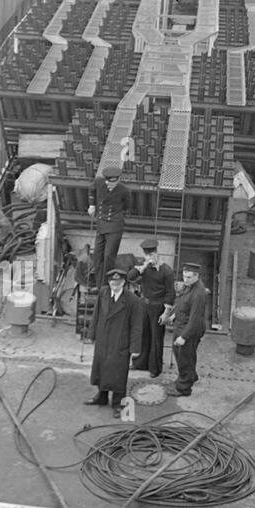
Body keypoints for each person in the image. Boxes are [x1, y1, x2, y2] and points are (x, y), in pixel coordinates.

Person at [86, 267, 144, 417]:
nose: (115, 285)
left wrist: (135, 348)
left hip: (120, 341)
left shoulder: (133, 300)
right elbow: (96, 314)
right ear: (109, 282)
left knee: (118, 372)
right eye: (112, 282)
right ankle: (102, 396)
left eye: (118, 283)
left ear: (124, 282)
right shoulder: (104, 292)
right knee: (101, 368)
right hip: (103, 339)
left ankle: (119, 403)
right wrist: (91, 334)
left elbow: (137, 326)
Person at [128, 240, 175, 376]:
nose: (150, 257)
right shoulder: (144, 268)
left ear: (157, 253)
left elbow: (170, 293)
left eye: (152, 254)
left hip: (158, 307)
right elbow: (130, 277)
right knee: (143, 335)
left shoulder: (166, 270)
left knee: (156, 338)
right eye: (147, 254)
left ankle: (155, 368)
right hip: (144, 304)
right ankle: (140, 363)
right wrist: (142, 267)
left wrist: (166, 313)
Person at [162, 263, 209, 398]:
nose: (185, 280)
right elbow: (182, 303)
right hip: (181, 325)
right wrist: (174, 315)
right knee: (184, 355)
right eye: (184, 276)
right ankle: (191, 376)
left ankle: (183, 388)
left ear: (196, 276)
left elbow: (195, 319)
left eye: (189, 277)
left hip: (189, 330)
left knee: (184, 358)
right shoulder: (189, 286)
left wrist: (184, 337)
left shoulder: (198, 293)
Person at [88, 165, 130, 287]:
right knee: (97, 257)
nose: (111, 185)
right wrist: (92, 205)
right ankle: (99, 285)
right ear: (105, 180)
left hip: (115, 226)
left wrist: (117, 216)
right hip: (101, 224)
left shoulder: (124, 190)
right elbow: (91, 190)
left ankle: (105, 285)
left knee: (108, 257)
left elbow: (127, 207)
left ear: (118, 180)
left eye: (114, 183)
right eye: (110, 183)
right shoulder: (98, 182)